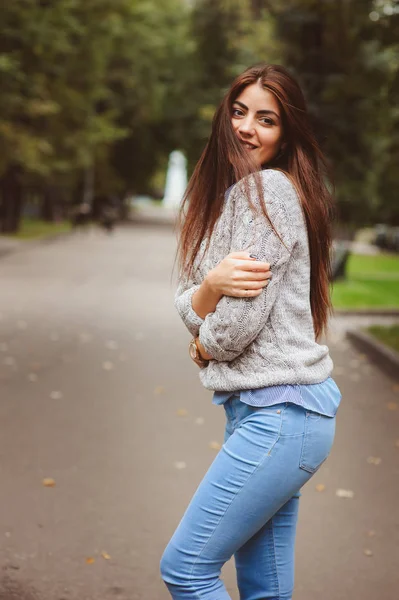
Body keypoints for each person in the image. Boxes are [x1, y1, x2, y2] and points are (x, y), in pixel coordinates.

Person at [160, 63, 342, 600]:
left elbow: (230, 332)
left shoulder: (267, 192)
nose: (246, 127)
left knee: (187, 569)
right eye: (239, 112)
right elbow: (196, 297)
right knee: (264, 587)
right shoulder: (236, 196)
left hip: (279, 418)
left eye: (267, 119)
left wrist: (202, 333)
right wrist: (210, 288)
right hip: (277, 416)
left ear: (287, 134)